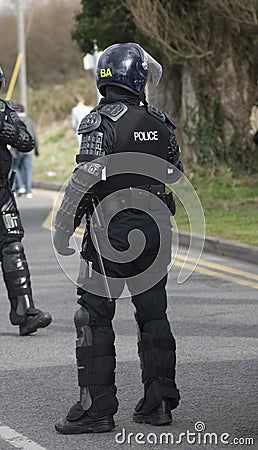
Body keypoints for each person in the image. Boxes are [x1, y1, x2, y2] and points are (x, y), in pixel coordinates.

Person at [53, 43, 183, 434]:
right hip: (155, 231)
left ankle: (97, 410)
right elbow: (174, 175)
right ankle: (158, 403)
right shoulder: (162, 122)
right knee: (153, 316)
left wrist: (63, 228)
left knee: (93, 317)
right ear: (138, 77)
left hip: (110, 232)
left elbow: (82, 183)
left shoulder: (99, 122)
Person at [0, 65, 52, 336]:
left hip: (2, 193)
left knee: (13, 248)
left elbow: (27, 141)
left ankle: (25, 310)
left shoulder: (4, 112)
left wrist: (6, 129)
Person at [12, 104, 39, 198]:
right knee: (28, 170)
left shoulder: (15, 121)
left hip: (18, 148)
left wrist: (12, 151)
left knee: (15, 168)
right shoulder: (30, 121)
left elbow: (13, 136)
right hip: (30, 149)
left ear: (17, 111)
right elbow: (35, 135)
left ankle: (19, 186)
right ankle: (29, 191)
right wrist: (37, 149)